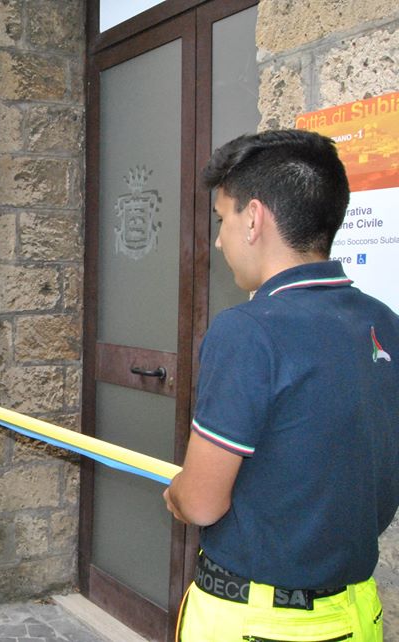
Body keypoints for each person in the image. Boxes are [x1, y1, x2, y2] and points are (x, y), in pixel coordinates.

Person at [163, 129, 399, 641]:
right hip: (358, 612)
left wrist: (178, 493)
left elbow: (201, 502)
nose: (220, 240)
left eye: (222, 220)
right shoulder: (384, 322)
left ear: (253, 218)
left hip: (258, 620)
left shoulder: (248, 330)